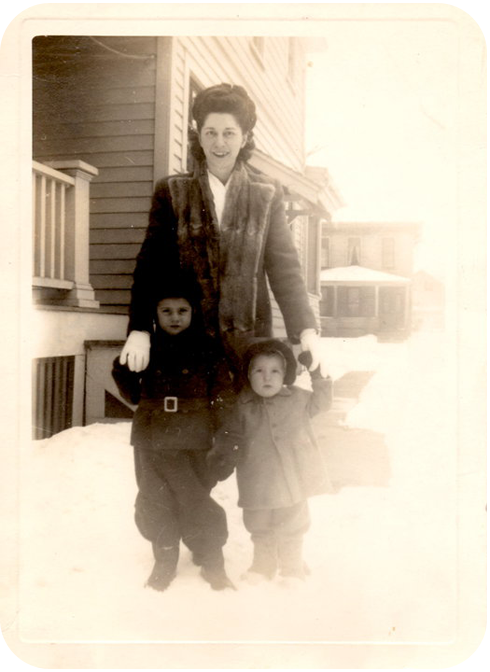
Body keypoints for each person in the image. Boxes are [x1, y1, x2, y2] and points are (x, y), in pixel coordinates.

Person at [119, 82, 326, 381]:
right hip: (185, 343)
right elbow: (151, 267)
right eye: (210, 132)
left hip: (248, 345)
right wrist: (140, 328)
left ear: (244, 137)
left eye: (229, 133)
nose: (219, 143)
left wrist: (306, 330)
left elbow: (285, 268)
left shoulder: (266, 194)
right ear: (199, 136)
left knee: (243, 425)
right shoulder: (172, 192)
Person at [112, 281, 235, 592]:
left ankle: (210, 558)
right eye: (166, 311)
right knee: (155, 499)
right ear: (154, 314)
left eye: (182, 310)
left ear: (194, 312)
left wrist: (225, 440)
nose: (175, 317)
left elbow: (223, 397)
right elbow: (132, 394)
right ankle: (164, 557)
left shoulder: (208, 348)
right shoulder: (146, 346)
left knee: (196, 500)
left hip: (194, 438)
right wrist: (125, 366)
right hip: (151, 438)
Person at [206, 339, 333, 584]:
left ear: (285, 375)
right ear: (248, 375)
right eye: (259, 371)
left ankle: (292, 567)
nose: (268, 378)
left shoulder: (298, 399)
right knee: (258, 524)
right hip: (257, 479)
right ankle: (263, 565)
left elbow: (323, 403)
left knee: (292, 525)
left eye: (275, 371)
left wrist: (318, 374)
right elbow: (225, 428)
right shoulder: (241, 405)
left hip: (292, 478)